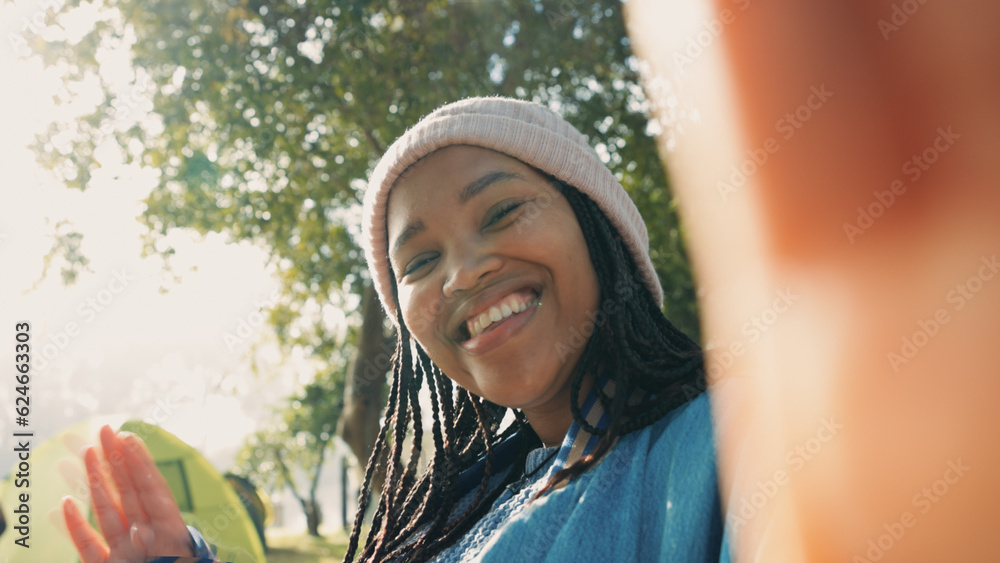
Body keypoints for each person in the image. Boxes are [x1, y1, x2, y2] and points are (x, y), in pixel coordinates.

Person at [61, 97, 730, 562]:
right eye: (421, 260)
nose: (462, 274)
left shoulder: (734, 439)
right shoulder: (463, 503)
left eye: (500, 211)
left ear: (601, 229)